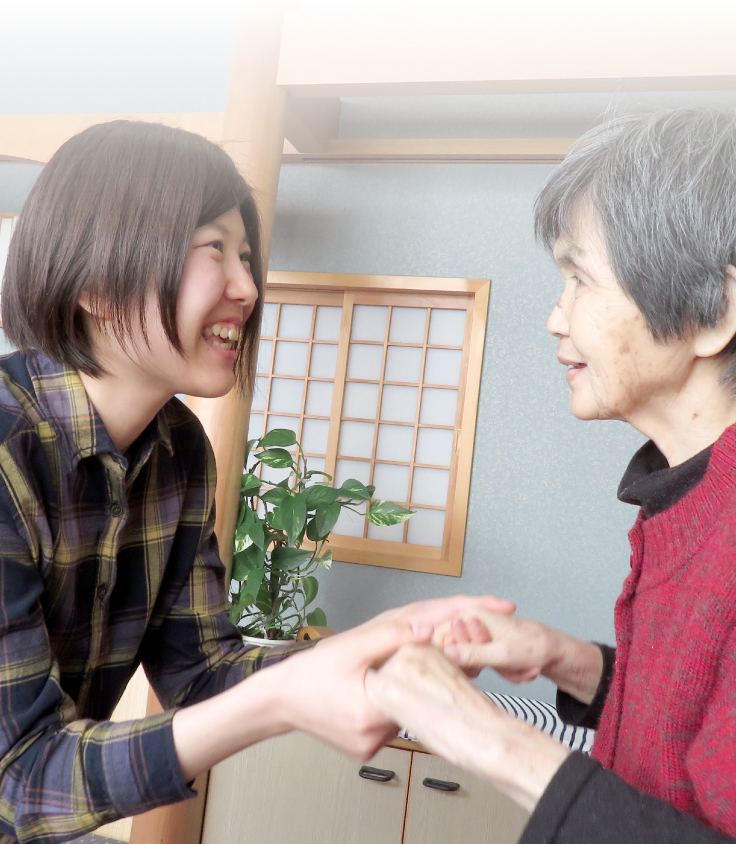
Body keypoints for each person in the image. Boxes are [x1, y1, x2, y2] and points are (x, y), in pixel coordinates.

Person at [0, 120, 511, 844]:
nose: (247, 286)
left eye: (245, 254)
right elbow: (20, 779)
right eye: (214, 248)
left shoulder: (179, 450)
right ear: (96, 284)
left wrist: (370, 651)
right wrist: (279, 700)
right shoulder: (7, 451)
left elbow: (203, 671)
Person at [365, 108, 736, 844]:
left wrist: (481, 734)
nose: (555, 319)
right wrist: (565, 659)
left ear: (714, 313)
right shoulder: (688, 493)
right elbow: (694, 729)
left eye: (580, 279)